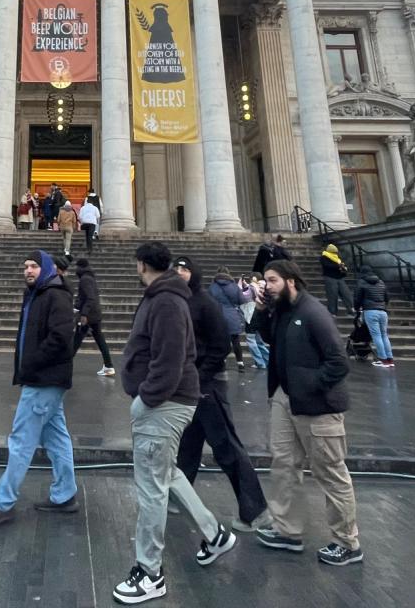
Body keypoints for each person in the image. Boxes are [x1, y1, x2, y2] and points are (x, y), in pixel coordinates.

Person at [113, 241, 234, 604]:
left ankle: (150, 572)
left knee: (151, 488)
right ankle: (215, 535)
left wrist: (146, 398)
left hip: (163, 403)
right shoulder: (163, 295)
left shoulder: (165, 300)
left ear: (141, 265)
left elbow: (170, 357)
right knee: (167, 474)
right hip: (168, 400)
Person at [250, 259, 363, 568]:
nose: (267, 286)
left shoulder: (314, 313)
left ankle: (347, 543)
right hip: (285, 400)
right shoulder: (284, 311)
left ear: (291, 281)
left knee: (330, 472)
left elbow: (339, 362)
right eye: (266, 281)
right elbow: (264, 337)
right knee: (284, 464)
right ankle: (287, 530)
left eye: (272, 280)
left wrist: (309, 385)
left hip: (317, 406)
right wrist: (261, 309)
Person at [0, 249, 78, 527]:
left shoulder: (55, 295)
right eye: (25, 266)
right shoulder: (37, 294)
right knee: (57, 437)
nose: (28, 271)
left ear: (45, 269)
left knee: (21, 440)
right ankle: (65, 495)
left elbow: (60, 338)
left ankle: (3, 503)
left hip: (43, 379)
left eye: (34, 266)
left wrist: (32, 363)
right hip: (43, 378)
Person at [173, 257, 271, 533]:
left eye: (185, 269)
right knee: (188, 442)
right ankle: (177, 496)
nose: (180, 273)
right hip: (191, 384)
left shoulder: (205, 302)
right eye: (176, 269)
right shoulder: (181, 300)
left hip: (208, 384)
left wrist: (201, 377)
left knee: (226, 445)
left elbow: (220, 345)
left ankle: (255, 509)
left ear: (195, 273)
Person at [71, 256, 114, 376]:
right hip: (94, 314)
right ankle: (108, 366)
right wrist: (76, 307)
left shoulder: (85, 279)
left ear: (80, 267)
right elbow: (84, 297)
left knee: (76, 340)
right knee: (99, 340)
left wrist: (83, 314)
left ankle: (64, 365)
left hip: (88, 316)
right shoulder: (90, 278)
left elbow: (90, 297)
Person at [208, 266, 252, 371]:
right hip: (232, 315)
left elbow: (208, 302)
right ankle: (240, 363)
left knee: (220, 341)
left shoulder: (212, 286)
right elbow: (242, 300)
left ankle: (222, 361)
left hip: (217, 316)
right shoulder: (234, 286)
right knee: (235, 340)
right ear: (228, 274)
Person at [353, 269, 393, 369]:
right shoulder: (381, 282)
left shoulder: (361, 282)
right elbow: (387, 297)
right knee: (384, 335)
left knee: (376, 336)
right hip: (383, 311)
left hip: (370, 311)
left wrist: (357, 308)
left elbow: (357, 298)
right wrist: (383, 306)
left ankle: (382, 360)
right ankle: (390, 360)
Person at [319, 243, 352, 317]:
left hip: (339, 277)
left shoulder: (337, 258)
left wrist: (343, 270)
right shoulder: (324, 257)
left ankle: (351, 309)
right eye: (334, 252)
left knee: (346, 294)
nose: (336, 253)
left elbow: (341, 266)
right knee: (332, 295)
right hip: (330, 277)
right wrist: (338, 266)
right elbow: (327, 265)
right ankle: (332, 312)